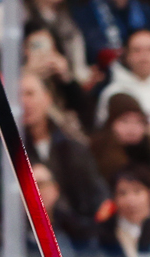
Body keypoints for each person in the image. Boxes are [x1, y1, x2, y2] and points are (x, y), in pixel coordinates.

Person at [21, 74, 108, 237]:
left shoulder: (74, 148)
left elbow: (96, 198)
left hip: (76, 237)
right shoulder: (5, 152)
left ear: (47, 98)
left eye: (30, 94)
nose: (24, 102)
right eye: (18, 96)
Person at [90, 94, 150, 182]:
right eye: (124, 121)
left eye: (138, 121)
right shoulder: (100, 151)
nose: (132, 128)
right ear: (111, 123)